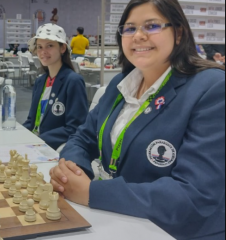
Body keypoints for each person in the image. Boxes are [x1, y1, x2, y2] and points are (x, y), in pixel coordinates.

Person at [49, 0, 225, 239]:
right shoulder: (120, 85)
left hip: (175, 231)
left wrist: (92, 193)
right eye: (130, 28)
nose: (138, 36)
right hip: (118, 220)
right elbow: (82, 137)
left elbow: (194, 194)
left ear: (179, 32)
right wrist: (72, 171)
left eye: (151, 26)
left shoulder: (212, 88)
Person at [23, 24, 89, 151]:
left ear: (62, 48)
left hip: (52, 148)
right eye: (39, 47)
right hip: (33, 145)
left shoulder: (73, 81)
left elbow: (75, 127)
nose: (43, 52)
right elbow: (31, 120)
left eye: (50, 46)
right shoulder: (40, 81)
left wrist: (39, 141)